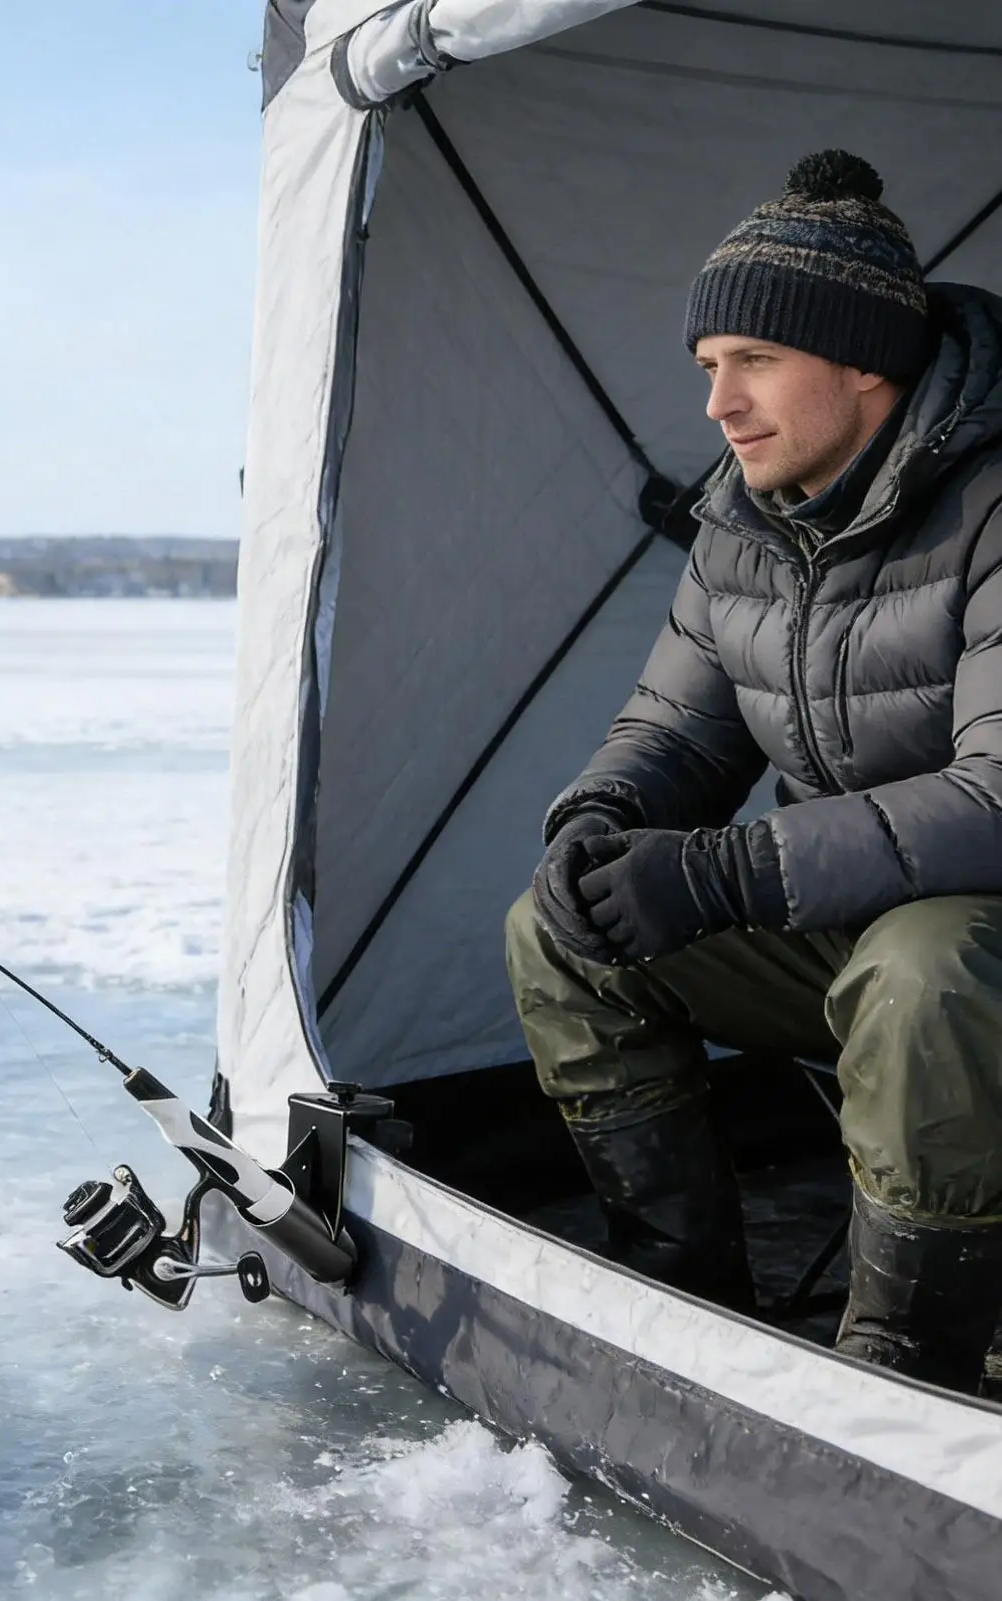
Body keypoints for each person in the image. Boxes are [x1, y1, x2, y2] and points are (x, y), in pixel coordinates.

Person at [504, 149, 1002, 1394]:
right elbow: (674, 723)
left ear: (861, 360)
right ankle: (679, 1299)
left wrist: (730, 869)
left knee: (924, 966)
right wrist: (601, 820)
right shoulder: (746, 518)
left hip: (963, 952)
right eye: (705, 369)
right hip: (854, 919)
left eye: (753, 362)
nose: (718, 404)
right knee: (557, 933)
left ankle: (904, 1366)